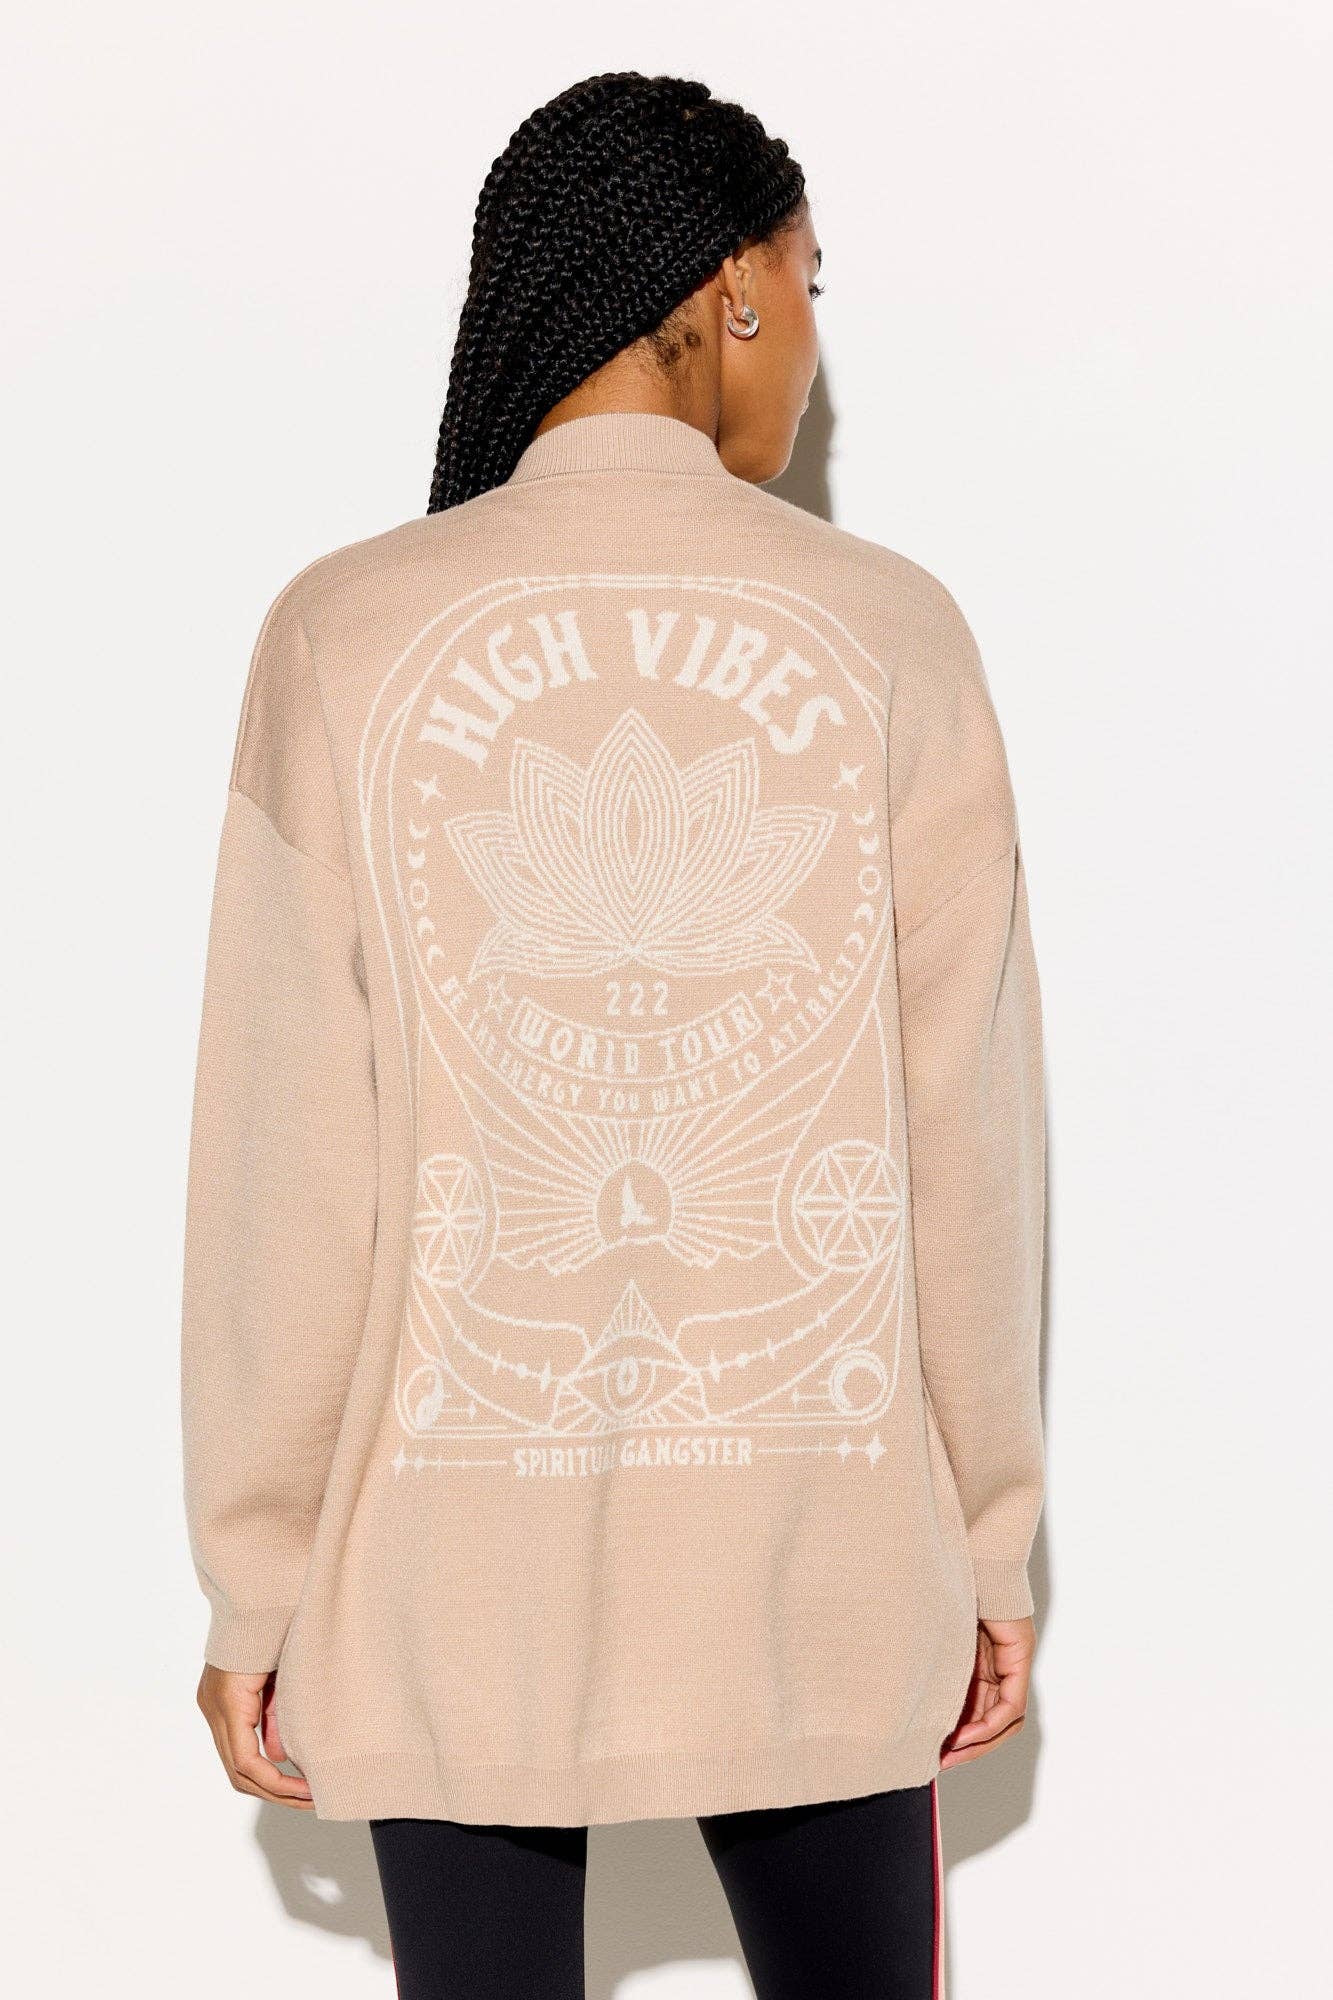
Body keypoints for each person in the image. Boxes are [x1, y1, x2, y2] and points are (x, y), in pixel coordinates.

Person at [181, 71, 1046, 2000]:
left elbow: (283, 1166)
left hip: (442, 1591)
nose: (811, 340)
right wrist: (987, 1544)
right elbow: (965, 1149)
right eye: (808, 282)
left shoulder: (343, 632)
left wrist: (259, 1578)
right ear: (729, 285)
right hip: (821, 1572)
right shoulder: (890, 632)